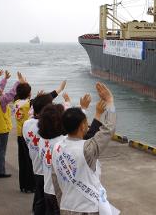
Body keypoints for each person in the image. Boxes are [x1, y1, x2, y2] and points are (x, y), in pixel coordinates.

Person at [52, 83, 119, 215]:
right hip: (87, 209)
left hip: (66, 206)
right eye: (86, 122)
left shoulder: (56, 147)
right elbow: (108, 129)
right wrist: (110, 101)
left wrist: (62, 204)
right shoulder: (88, 148)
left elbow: (56, 181)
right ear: (83, 126)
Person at [22, 80, 67, 215]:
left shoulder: (26, 124)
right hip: (47, 171)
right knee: (45, 202)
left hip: (36, 168)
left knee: (39, 198)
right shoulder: (49, 131)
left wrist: (56, 91)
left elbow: (35, 107)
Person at [0, 71, 26, 178]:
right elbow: (12, 93)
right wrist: (18, 82)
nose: (1, 90)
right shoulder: (1, 101)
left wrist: (4, 79)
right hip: (2, 129)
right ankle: (0, 172)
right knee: (1, 150)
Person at [14, 82, 36, 193]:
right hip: (28, 136)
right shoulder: (29, 103)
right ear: (28, 93)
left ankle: (23, 185)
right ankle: (31, 186)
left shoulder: (16, 102)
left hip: (19, 134)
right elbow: (40, 102)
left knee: (22, 160)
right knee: (29, 161)